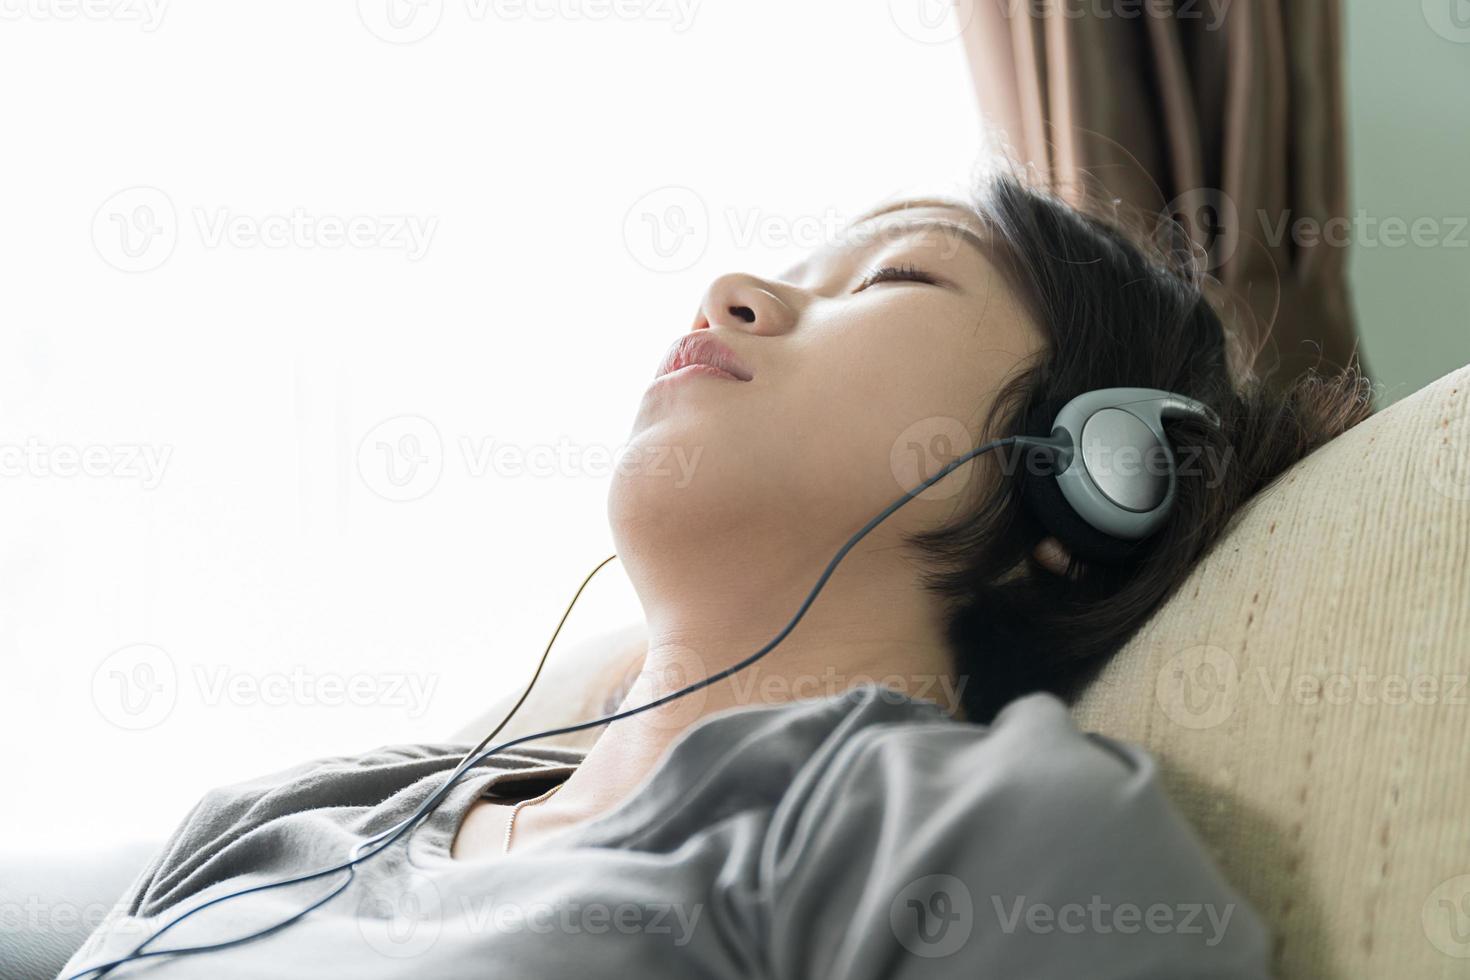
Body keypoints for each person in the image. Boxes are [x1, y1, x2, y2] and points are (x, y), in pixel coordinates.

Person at [62, 170, 1370, 979]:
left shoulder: (966, 836)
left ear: (1082, 479)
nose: (729, 290)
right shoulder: (295, 809)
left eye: (890, 276)